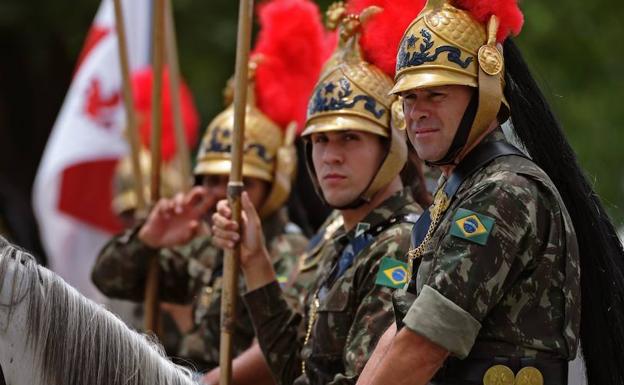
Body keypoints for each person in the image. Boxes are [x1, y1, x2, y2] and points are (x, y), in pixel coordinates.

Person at [358, 0, 624, 384]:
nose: (417, 111)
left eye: (437, 94)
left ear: (482, 92)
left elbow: (423, 344)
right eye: (410, 97)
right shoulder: (459, 194)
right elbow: (401, 334)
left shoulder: (504, 191)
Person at [90, 0, 330, 374]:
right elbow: (109, 278)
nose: (224, 193)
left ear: (275, 183)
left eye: (240, 182)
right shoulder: (204, 249)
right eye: (212, 181)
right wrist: (150, 238)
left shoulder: (295, 255)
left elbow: (282, 350)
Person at [211, 2, 424, 384]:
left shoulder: (399, 243)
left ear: (391, 144)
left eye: (349, 138)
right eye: (320, 140)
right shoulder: (342, 240)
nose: (331, 157)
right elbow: (295, 367)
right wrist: (254, 260)